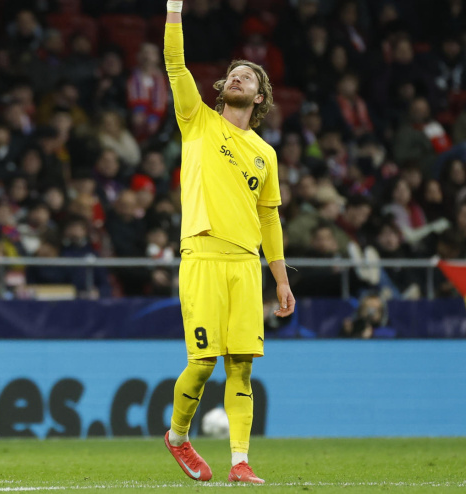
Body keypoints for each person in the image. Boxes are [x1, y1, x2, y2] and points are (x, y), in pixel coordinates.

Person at [162, 0, 296, 485]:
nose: (237, 78)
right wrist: (175, 9)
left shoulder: (265, 154)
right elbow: (175, 64)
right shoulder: (197, 120)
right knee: (201, 364)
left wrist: (281, 281)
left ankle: (240, 462)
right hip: (201, 254)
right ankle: (177, 438)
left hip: (245, 265)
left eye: (248, 77)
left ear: (260, 97)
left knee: (240, 366)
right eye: (232, 74)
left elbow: (270, 219)